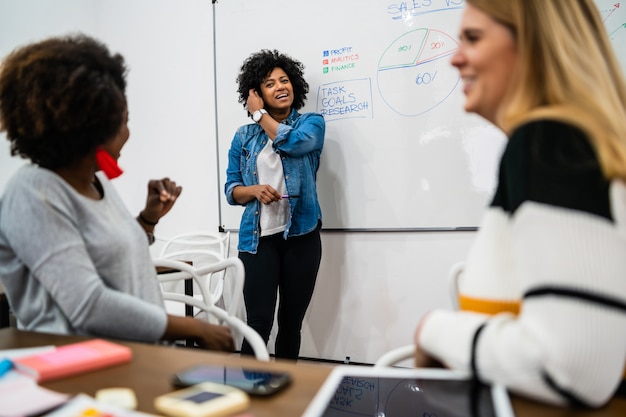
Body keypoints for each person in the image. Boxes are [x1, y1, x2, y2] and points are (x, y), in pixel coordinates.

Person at [413, 0, 626, 408]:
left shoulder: (549, 142)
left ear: (534, 45)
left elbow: (573, 367)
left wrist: (434, 330)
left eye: (473, 39)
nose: (456, 59)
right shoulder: (581, 142)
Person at [0, 34, 234, 352]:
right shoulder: (33, 193)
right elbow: (88, 304)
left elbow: (110, 256)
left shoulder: (97, 182)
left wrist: (148, 219)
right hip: (76, 371)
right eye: (123, 122)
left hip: (130, 359)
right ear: (89, 127)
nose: (128, 133)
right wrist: (194, 327)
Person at [224, 49, 324, 360]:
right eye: (269, 83)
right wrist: (252, 190)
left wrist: (260, 115)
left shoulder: (311, 124)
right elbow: (231, 191)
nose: (281, 87)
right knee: (257, 324)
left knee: (290, 323)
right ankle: (249, 396)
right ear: (256, 93)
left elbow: (295, 144)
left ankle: (285, 399)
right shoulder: (244, 137)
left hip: (301, 238)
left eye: (284, 80)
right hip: (257, 242)